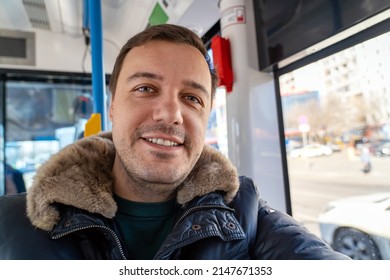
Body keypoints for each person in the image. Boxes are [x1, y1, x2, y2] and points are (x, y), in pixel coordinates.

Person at [0, 24, 349, 260]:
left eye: (192, 98)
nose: (171, 114)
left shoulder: (247, 217)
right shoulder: (12, 224)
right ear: (112, 108)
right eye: (145, 89)